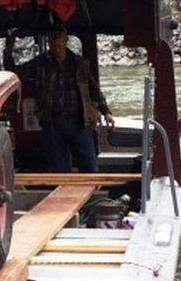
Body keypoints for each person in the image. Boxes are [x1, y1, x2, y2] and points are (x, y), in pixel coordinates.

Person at [23, 27, 114, 173]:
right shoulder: (39, 64)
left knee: (89, 165)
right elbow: (15, 73)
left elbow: (93, 89)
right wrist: (8, 49)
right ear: (49, 42)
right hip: (52, 122)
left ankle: (93, 194)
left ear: (66, 40)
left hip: (79, 121)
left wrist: (106, 112)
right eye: (52, 39)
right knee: (59, 169)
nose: (56, 42)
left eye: (59, 38)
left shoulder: (80, 64)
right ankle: (64, 195)